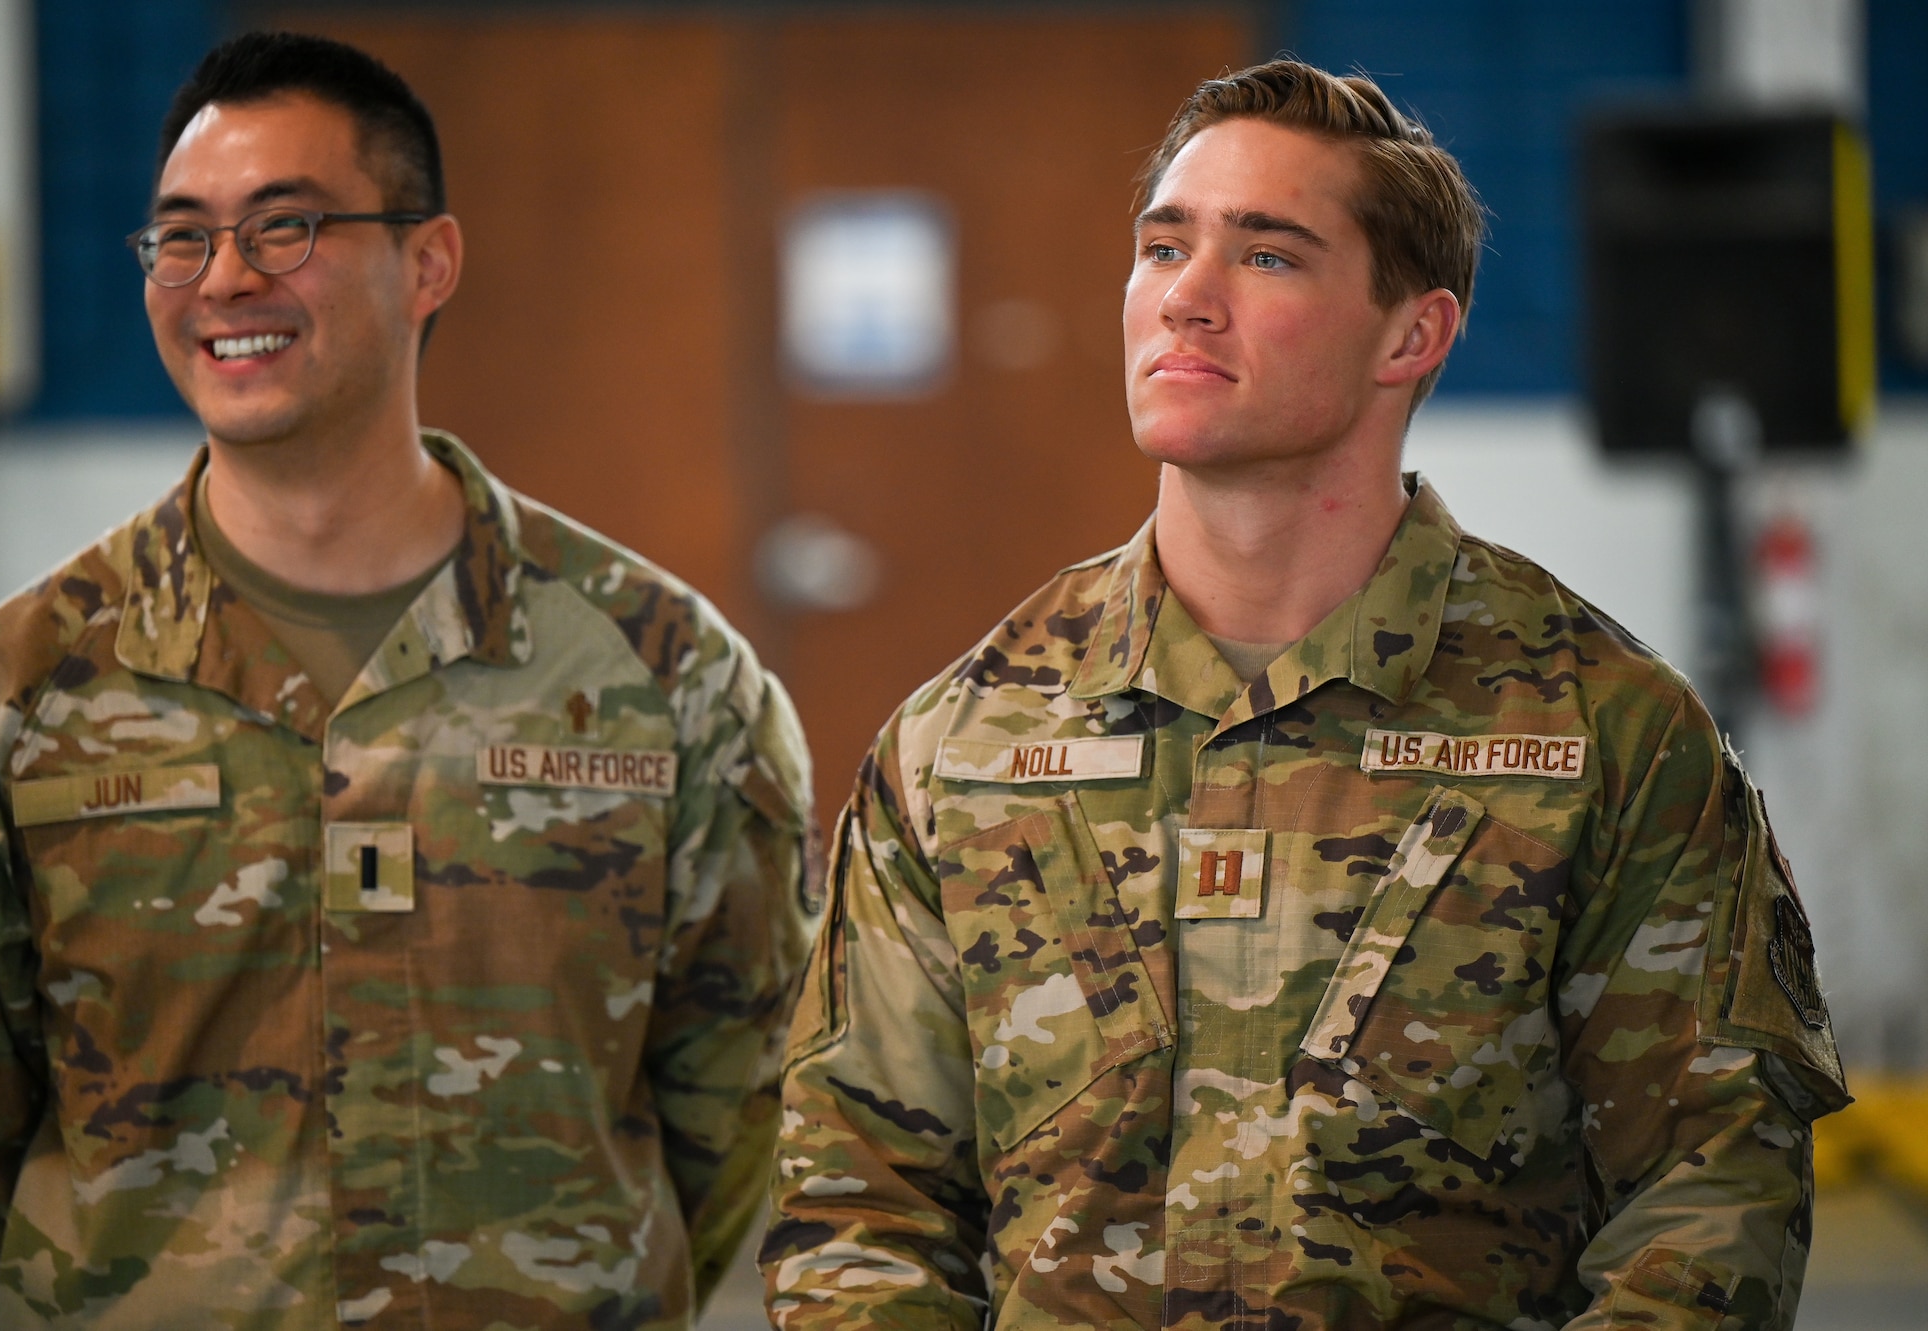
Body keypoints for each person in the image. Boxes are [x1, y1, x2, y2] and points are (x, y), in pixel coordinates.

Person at [764, 60, 1847, 1330]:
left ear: (1411, 334)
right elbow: (856, 1200)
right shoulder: (970, 739)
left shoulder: (1596, 731)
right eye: (1162, 246)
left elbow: (1709, 1195)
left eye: (1265, 256)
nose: (1186, 296)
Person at [0, 31, 812, 1330]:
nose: (225, 278)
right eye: (182, 236)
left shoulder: (662, 671)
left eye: (284, 228)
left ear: (428, 260)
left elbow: (733, 1104)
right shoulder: (15, 691)